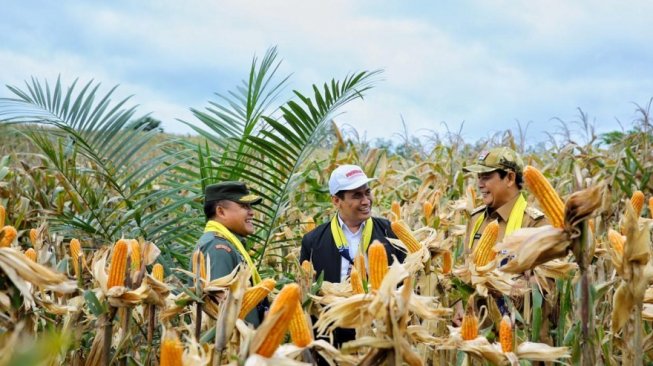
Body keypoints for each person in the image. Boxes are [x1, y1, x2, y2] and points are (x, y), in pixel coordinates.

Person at [300, 164, 405, 348]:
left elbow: (407, 281)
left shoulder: (391, 232)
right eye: (356, 195)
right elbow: (308, 296)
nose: (366, 201)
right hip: (332, 336)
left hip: (381, 332)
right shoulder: (312, 241)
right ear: (336, 201)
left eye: (367, 192)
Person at [194, 181, 266, 327]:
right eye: (244, 206)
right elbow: (221, 308)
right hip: (232, 346)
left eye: (250, 206)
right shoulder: (217, 248)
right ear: (221, 211)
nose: (251, 212)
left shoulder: (229, 244)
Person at [463, 147, 547, 250]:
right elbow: (467, 262)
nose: (480, 184)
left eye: (486, 176)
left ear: (510, 178)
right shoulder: (475, 219)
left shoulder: (535, 224)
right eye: (479, 177)